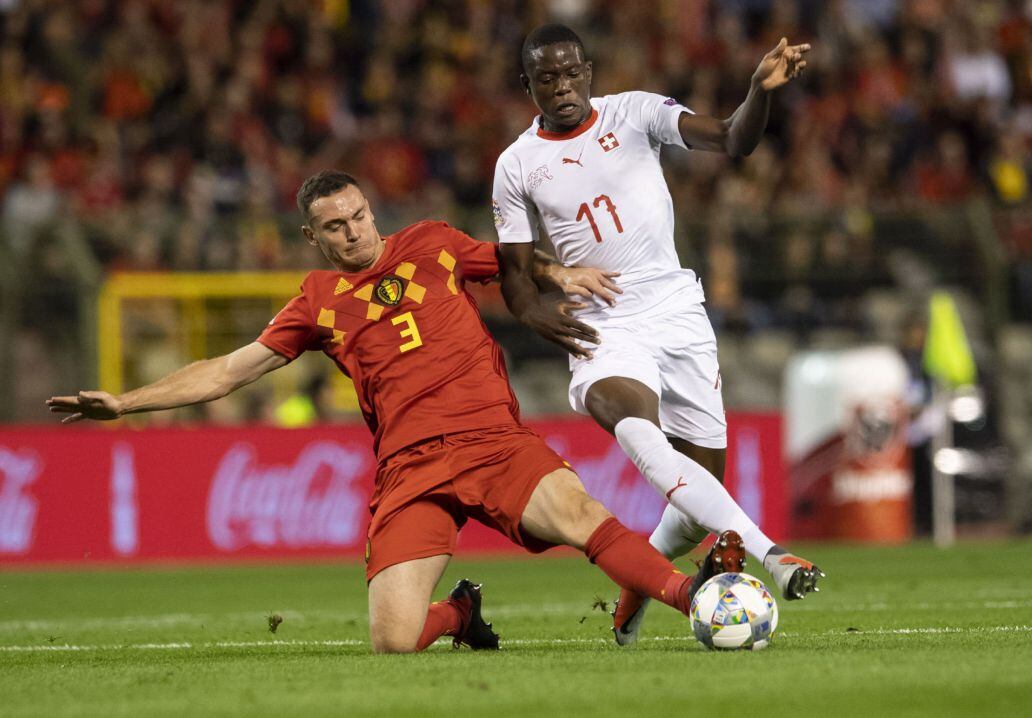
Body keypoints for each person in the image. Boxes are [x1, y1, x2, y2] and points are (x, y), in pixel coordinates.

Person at [47, 170, 743, 654]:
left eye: (357, 217)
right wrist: (125, 403)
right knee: (394, 640)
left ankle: (697, 598)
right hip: (410, 469)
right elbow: (229, 370)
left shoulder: (433, 245)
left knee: (582, 517)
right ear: (311, 237)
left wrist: (561, 274)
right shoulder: (317, 300)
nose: (351, 233)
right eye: (333, 227)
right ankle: (460, 613)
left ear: (370, 211)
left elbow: (511, 260)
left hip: (490, 440)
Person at [492, 24, 824, 646]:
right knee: (638, 431)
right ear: (528, 85)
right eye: (546, 79)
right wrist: (538, 315)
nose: (561, 88)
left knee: (700, 492)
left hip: (675, 309)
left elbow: (732, 139)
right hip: (602, 322)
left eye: (571, 74)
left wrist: (760, 90)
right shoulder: (516, 165)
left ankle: (635, 585)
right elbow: (513, 274)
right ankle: (771, 554)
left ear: (588, 72)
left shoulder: (636, 112)